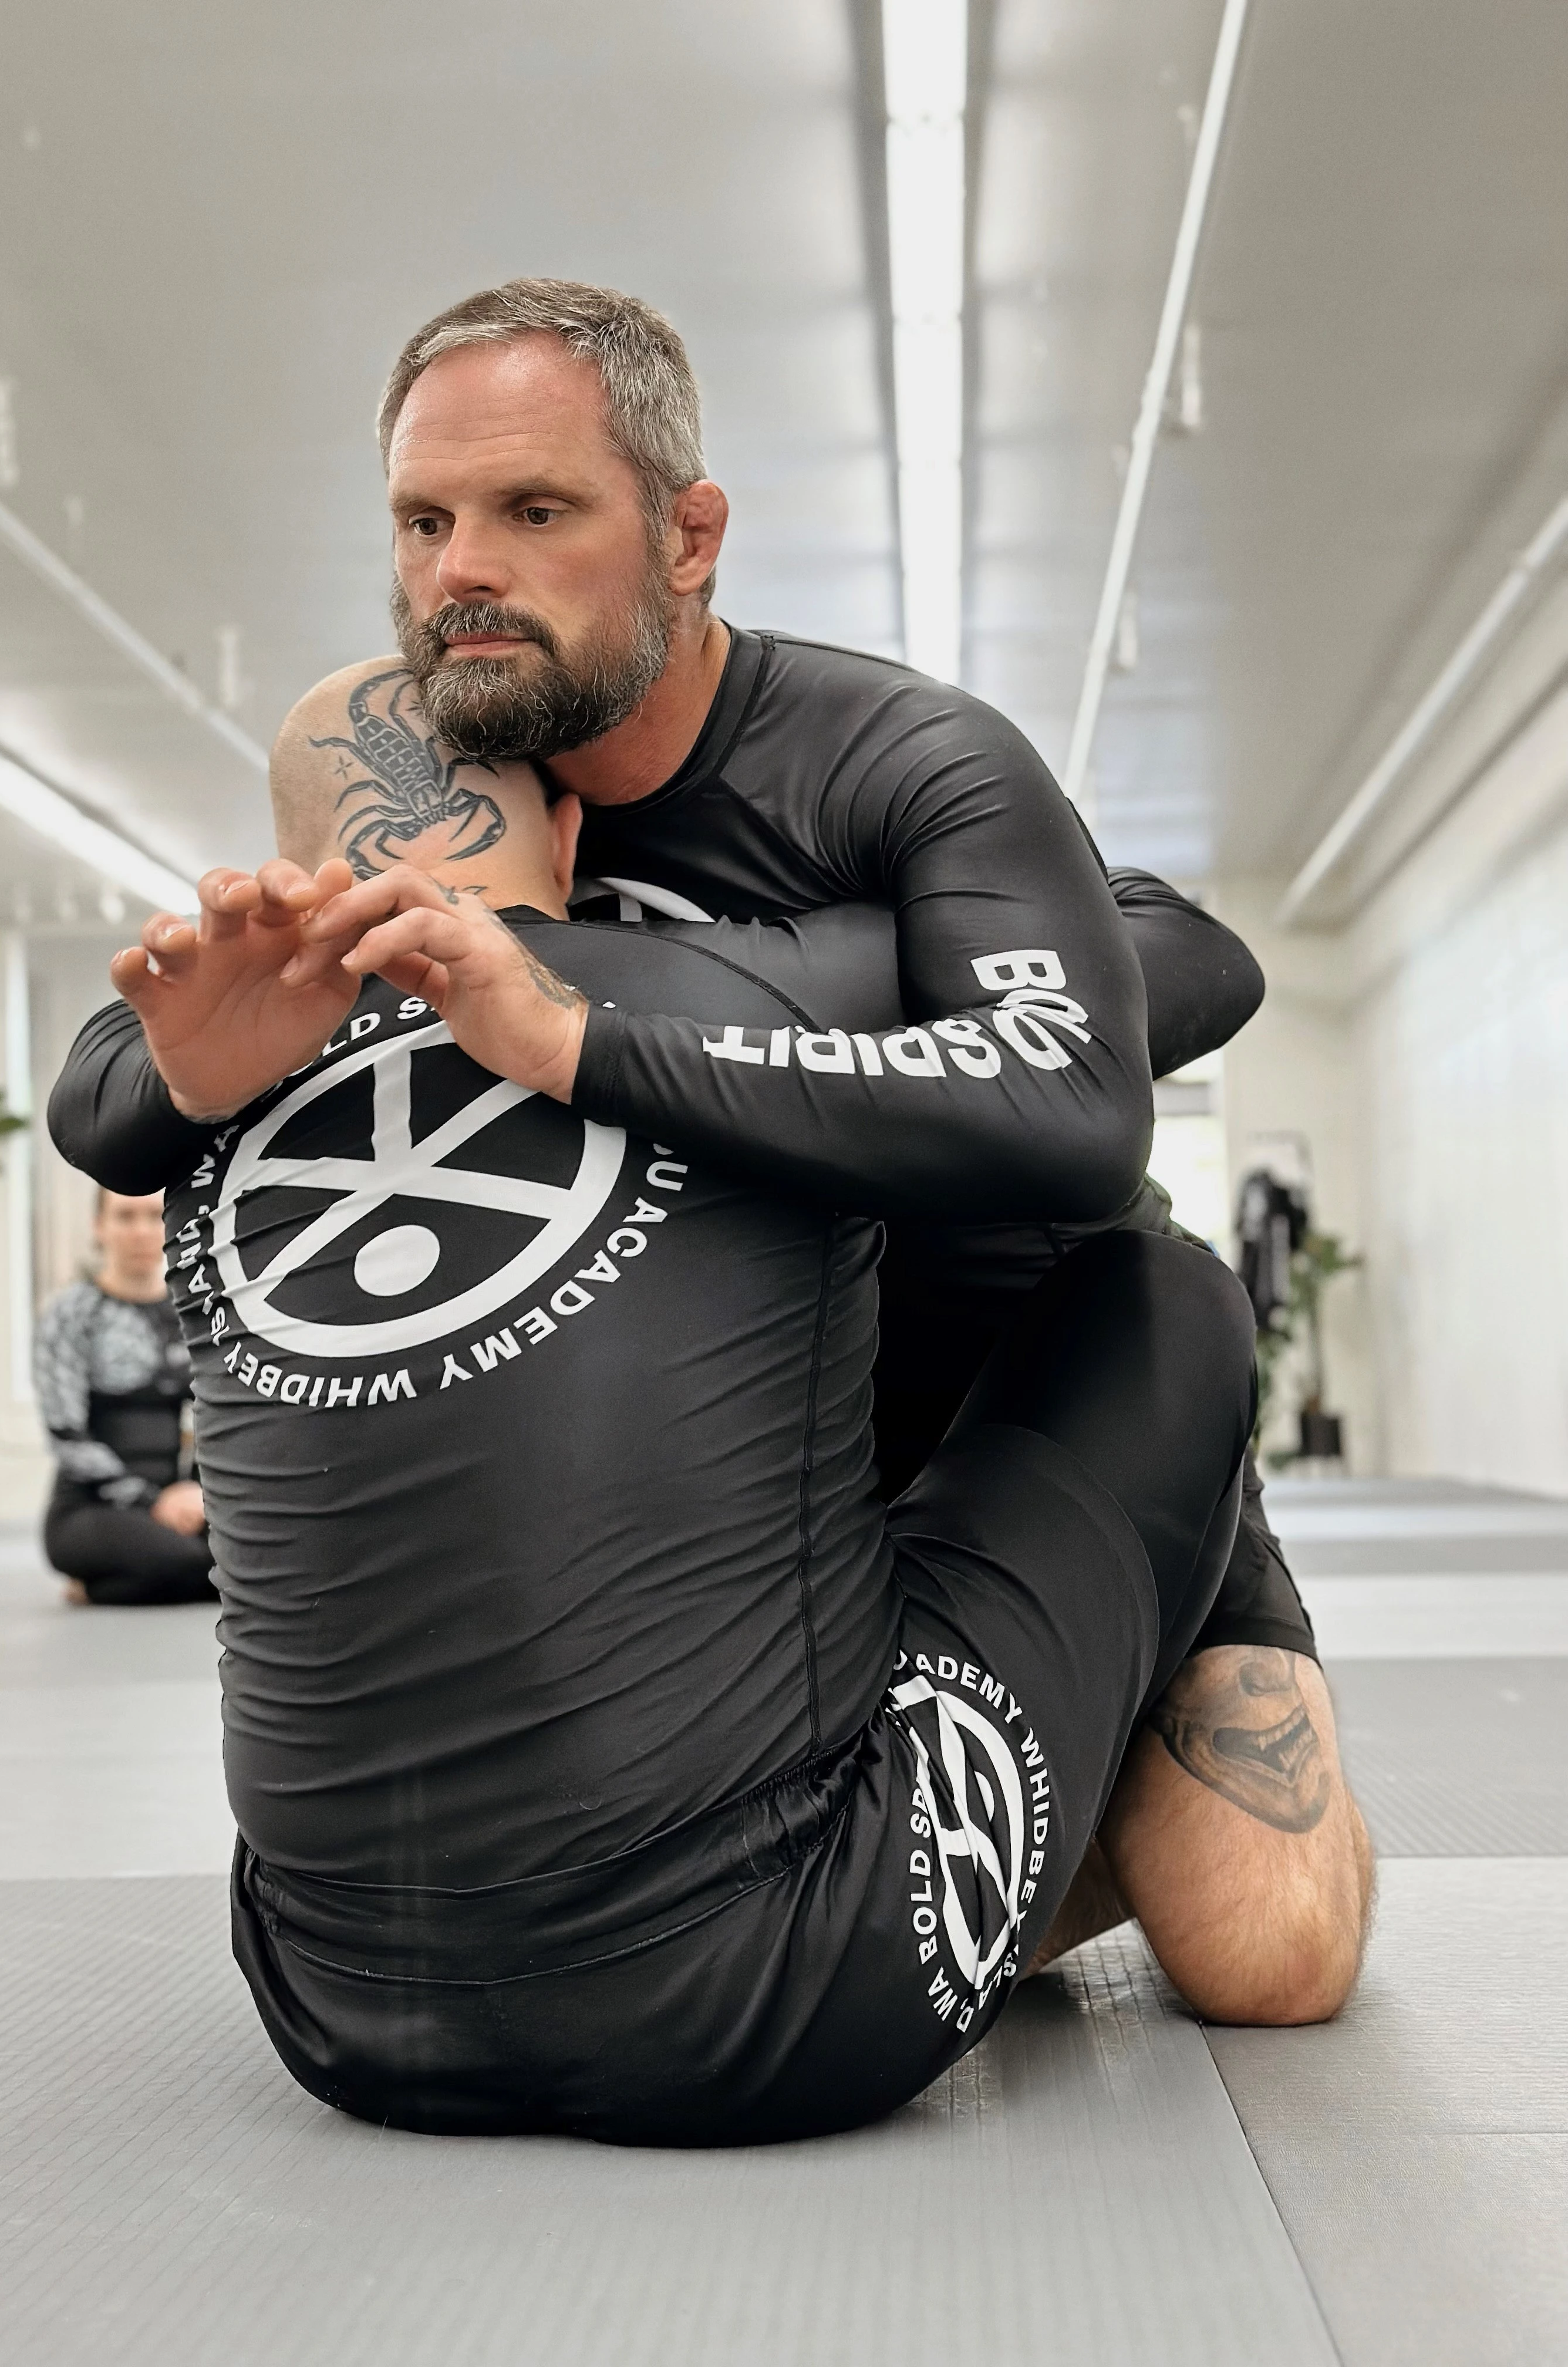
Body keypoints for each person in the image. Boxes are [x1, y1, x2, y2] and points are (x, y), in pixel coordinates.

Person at [261, 276, 1371, 2022]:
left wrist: (701, 1016)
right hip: (768, 1466)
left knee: (1268, 1964)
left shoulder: (884, 757)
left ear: (687, 537)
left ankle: (1082, 1721)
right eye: (425, 520)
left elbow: (1184, 964)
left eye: (534, 512)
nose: (461, 569)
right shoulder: (447, 778)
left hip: (1049, 1378)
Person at [50, 766, 1257, 2145]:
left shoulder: (190, 1053)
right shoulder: (775, 980)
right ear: (576, 832)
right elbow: (1194, 963)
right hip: (782, 2002)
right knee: (1168, 1298)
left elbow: (88, 1089)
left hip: (334, 2011)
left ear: (290, 855)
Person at [33, 1188, 215, 1607]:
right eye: (125, 1217)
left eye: (154, 1217)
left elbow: (223, 1418)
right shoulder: (73, 1314)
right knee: (194, 1562)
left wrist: (199, 1497)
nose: (141, 1232)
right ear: (100, 1228)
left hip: (187, 1503)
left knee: (263, 1554)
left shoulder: (197, 1312)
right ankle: (143, 1571)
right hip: (92, 1509)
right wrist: (154, 1501)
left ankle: (106, 1586)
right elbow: (66, 1435)